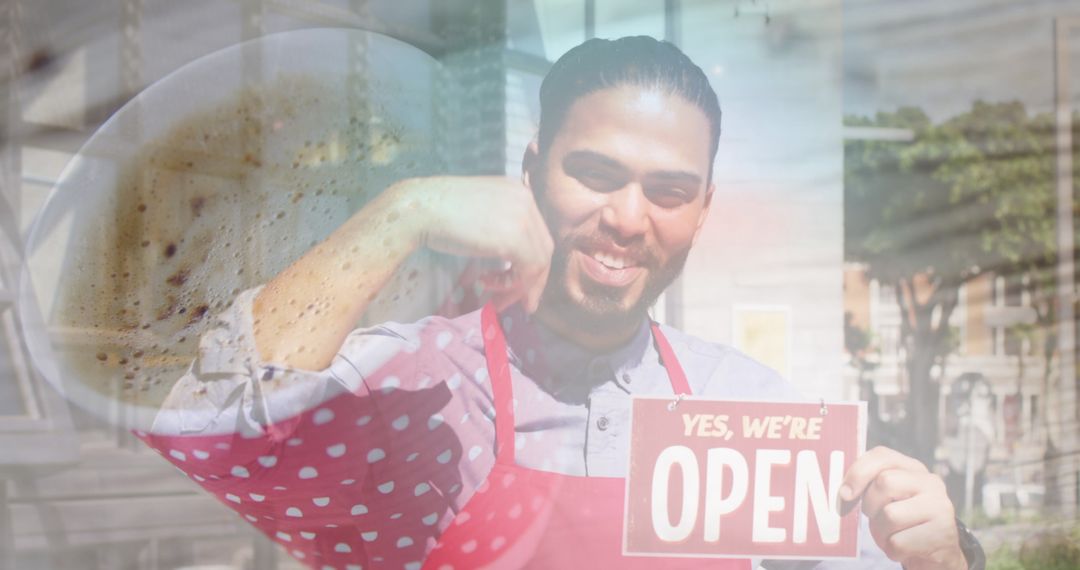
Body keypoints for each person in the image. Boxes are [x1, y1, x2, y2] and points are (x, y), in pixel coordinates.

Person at [143, 36, 982, 569]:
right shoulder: (410, 380)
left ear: (703, 210)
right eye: (596, 173)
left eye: (669, 189)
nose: (626, 219)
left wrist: (941, 557)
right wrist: (402, 212)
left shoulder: (751, 413)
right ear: (533, 167)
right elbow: (207, 425)